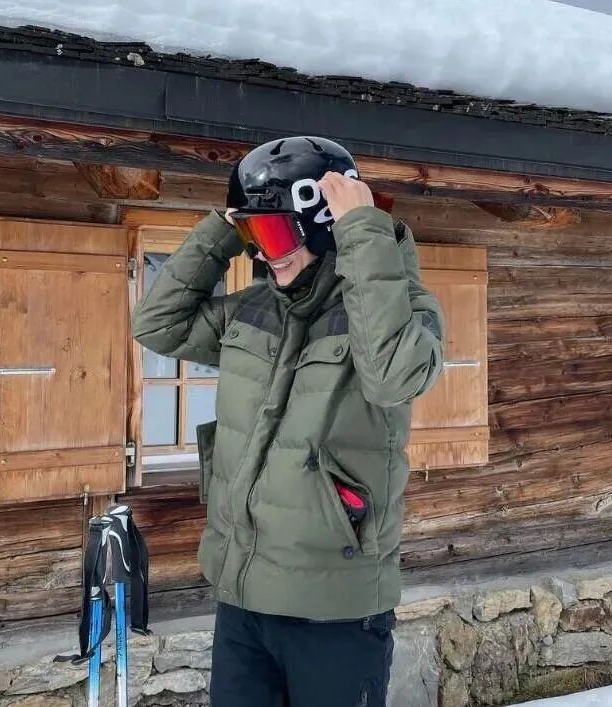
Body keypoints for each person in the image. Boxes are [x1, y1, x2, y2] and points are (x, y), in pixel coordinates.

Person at [131, 136, 445, 707]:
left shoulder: (401, 313)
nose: (265, 255)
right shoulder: (255, 308)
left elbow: (392, 377)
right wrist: (226, 228)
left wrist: (363, 230)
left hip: (335, 612)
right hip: (243, 598)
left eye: (275, 234)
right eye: (255, 237)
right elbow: (157, 324)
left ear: (324, 230)